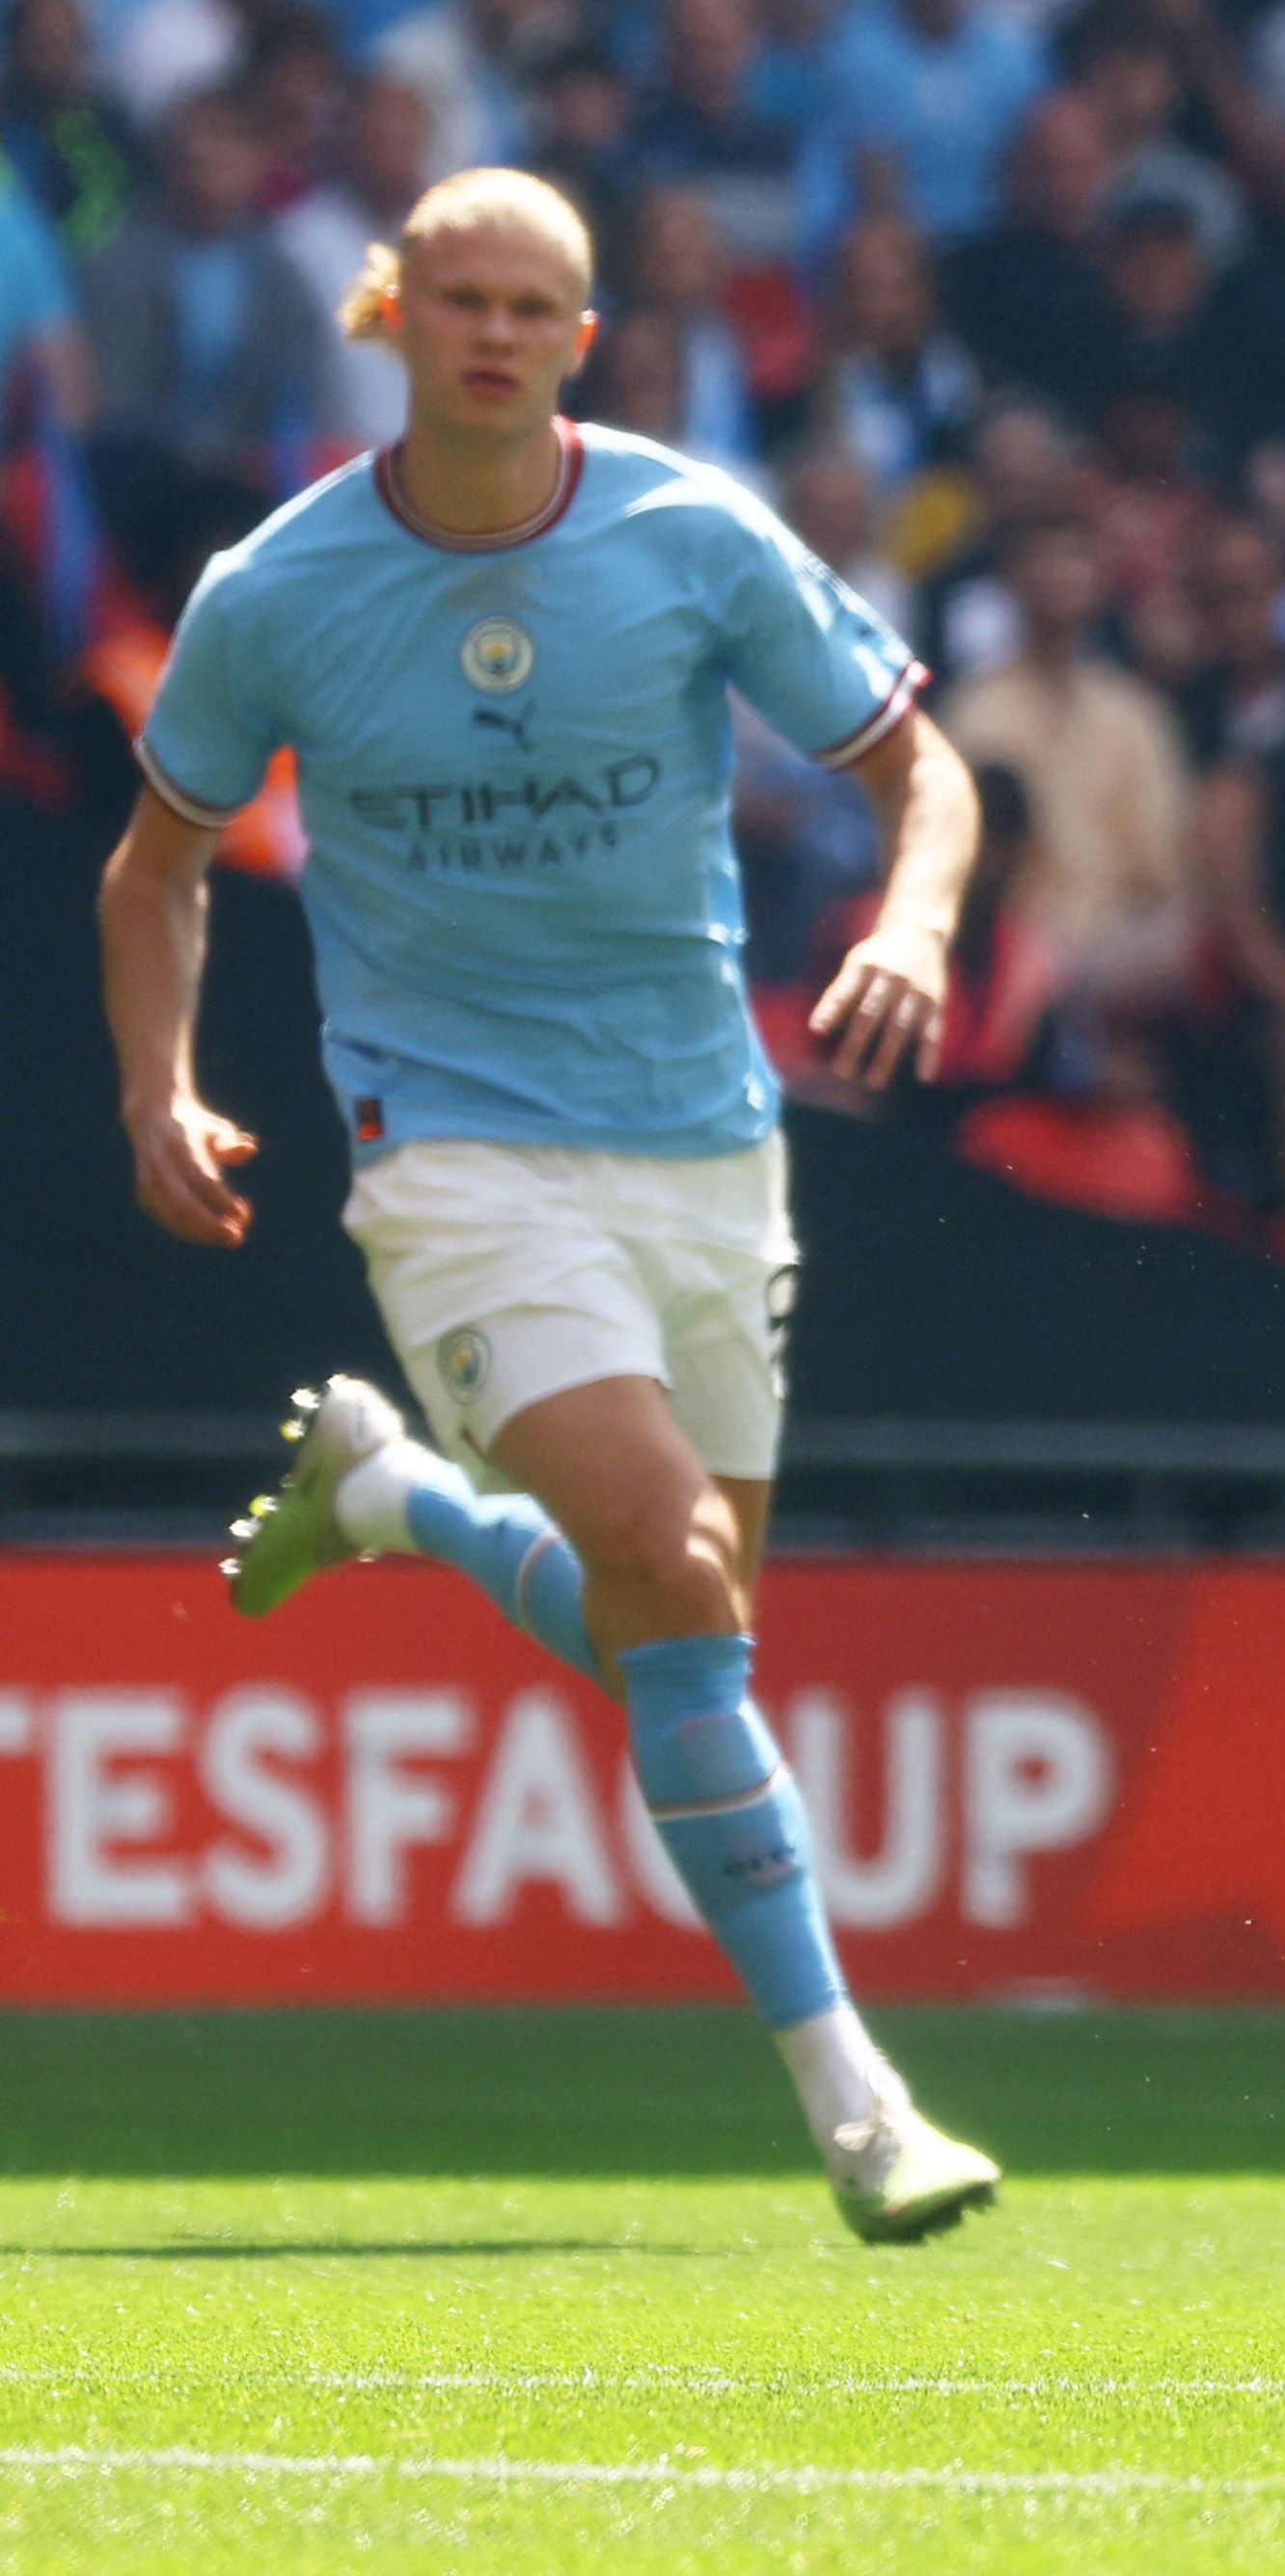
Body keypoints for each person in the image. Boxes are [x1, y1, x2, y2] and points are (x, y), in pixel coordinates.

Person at [95, 167, 1003, 2244]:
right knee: (676, 1569)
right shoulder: (279, 588)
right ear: (392, 312)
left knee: (676, 1617)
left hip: (704, 1132)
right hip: (454, 1145)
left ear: (583, 340)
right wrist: (161, 1083)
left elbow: (918, 769)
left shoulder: (687, 530)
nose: (496, 332)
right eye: (463, 297)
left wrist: (922, 923)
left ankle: (395, 1493)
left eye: (537, 307)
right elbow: (154, 863)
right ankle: (861, 2103)